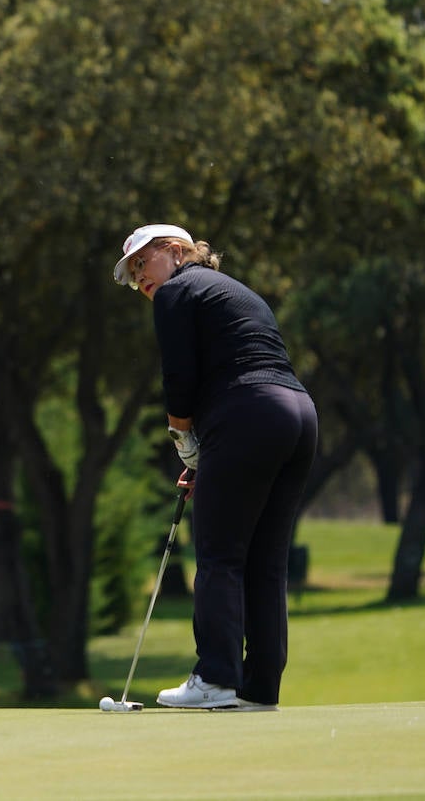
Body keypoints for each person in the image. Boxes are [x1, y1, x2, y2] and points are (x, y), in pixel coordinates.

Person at [113, 224, 318, 711]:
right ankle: (259, 687)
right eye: (132, 272)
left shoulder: (177, 292)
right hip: (298, 416)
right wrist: (211, 455)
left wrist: (185, 443)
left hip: (247, 413)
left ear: (177, 250)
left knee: (219, 553)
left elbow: (179, 379)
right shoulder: (233, 290)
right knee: (265, 563)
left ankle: (215, 677)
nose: (141, 277)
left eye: (144, 261)